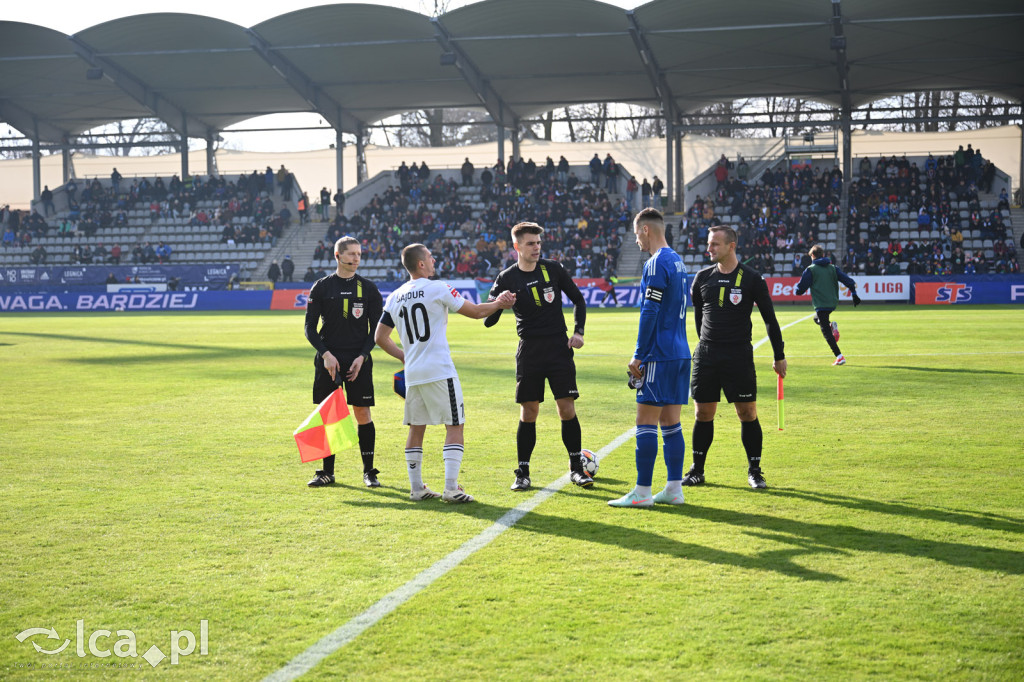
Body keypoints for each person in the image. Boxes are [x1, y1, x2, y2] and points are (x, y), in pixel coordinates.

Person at [374, 244, 515, 502]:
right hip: (439, 370)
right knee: (455, 424)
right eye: (430, 256)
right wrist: (499, 304)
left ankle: (416, 488)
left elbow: (379, 337)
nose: (434, 259)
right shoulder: (438, 287)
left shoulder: (394, 296)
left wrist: (405, 356)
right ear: (421, 264)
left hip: (414, 372)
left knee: (417, 427)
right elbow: (474, 312)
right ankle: (451, 488)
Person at [483, 222, 592, 491]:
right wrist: (500, 304)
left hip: (558, 348)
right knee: (529, 411)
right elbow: (488, 320)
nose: (536, 247)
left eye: (539, 243)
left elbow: (579, 299)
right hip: (530, 350)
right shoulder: (507, 277)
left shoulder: (552, 269)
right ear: (517, 247)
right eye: (531, 243)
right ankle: (523, 473)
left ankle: (576, 469)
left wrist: (578, 332)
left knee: (566, 409)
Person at [684, 224, 787, 490]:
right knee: (703, 413)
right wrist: (706, 343)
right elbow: (698, 318)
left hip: (738, 355)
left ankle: (754, 470)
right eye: (709, 243)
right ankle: (697, 470)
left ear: (731, 246)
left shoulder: (752, 278)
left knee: (747, 412)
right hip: (706, 354)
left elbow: (770, 319)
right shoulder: (702, 277)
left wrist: (779, 355)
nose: (709, 248)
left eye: (715, 244)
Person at [610, 208, 691, 507]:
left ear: (646, 229)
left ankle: (642, 492)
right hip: (681, 353)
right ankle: (673, 489)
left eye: (636, 234)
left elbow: (651, 310)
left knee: (645, 421)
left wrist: (639, 354)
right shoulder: (679, 262)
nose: (636, 242)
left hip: (659, 354)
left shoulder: (656, 263)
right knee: (672, 423)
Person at [304, 236, 385, 488]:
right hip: (329, 359)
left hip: (358, 359)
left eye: (359, 254)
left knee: (362, 413)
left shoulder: (368, 288)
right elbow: (309, 328)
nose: (356, 258)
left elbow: (377, 330)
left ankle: (369, 472)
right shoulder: (321, 287)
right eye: (351, 254)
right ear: (337, 256)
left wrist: (362, 356)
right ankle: (327, 472)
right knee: (329, 415)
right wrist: (326, 355)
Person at [795, 244, 861, 365]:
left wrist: (797, 289)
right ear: (823, 255)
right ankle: (831, 326)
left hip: (821, 303)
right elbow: (848, 280)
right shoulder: (833, 268)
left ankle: (839, 356)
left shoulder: (811, 269)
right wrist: (854, 294)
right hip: (832, 302)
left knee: (825, 331)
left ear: (813, 256)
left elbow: (799, 290)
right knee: (817, 319)